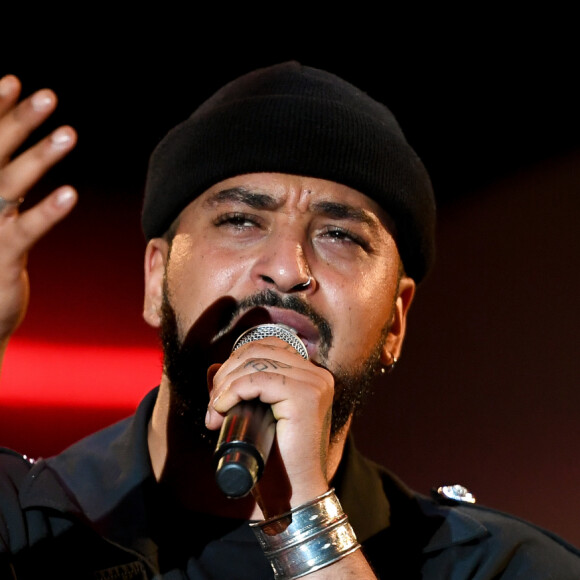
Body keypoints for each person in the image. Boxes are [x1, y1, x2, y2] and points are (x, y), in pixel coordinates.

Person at [0, 61, 578, 579]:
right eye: (241, 221)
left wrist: (308, 525)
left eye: (340, 235)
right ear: (156, 280)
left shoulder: (500, 568)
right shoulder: (22, 528)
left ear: (396, 322)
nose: (286, 268)